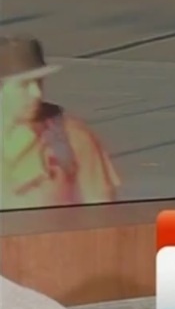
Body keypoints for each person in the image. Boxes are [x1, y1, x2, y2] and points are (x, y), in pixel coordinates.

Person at [1, 34, 120, 210]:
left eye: (39, 82)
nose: (36, 93)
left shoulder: (74, 137)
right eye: (24, 85)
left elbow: (102, 212)